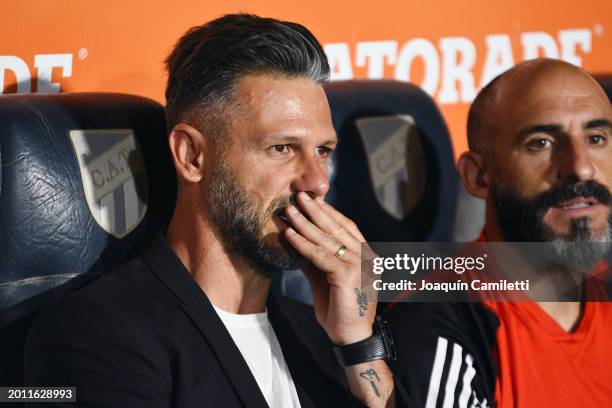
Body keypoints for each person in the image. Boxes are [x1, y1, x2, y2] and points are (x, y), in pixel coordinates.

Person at [24, 14, 404, 408]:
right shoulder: (98, 333)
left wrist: (358, 343)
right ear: (191, 156)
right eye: (282, 148)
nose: (317, 182)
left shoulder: (319, 333)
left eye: (323, 151)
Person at [385, 58, 612, 407]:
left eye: (596, 138)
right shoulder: (436, 324)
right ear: (479, 177)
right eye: (541, 143)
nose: (580, 167)